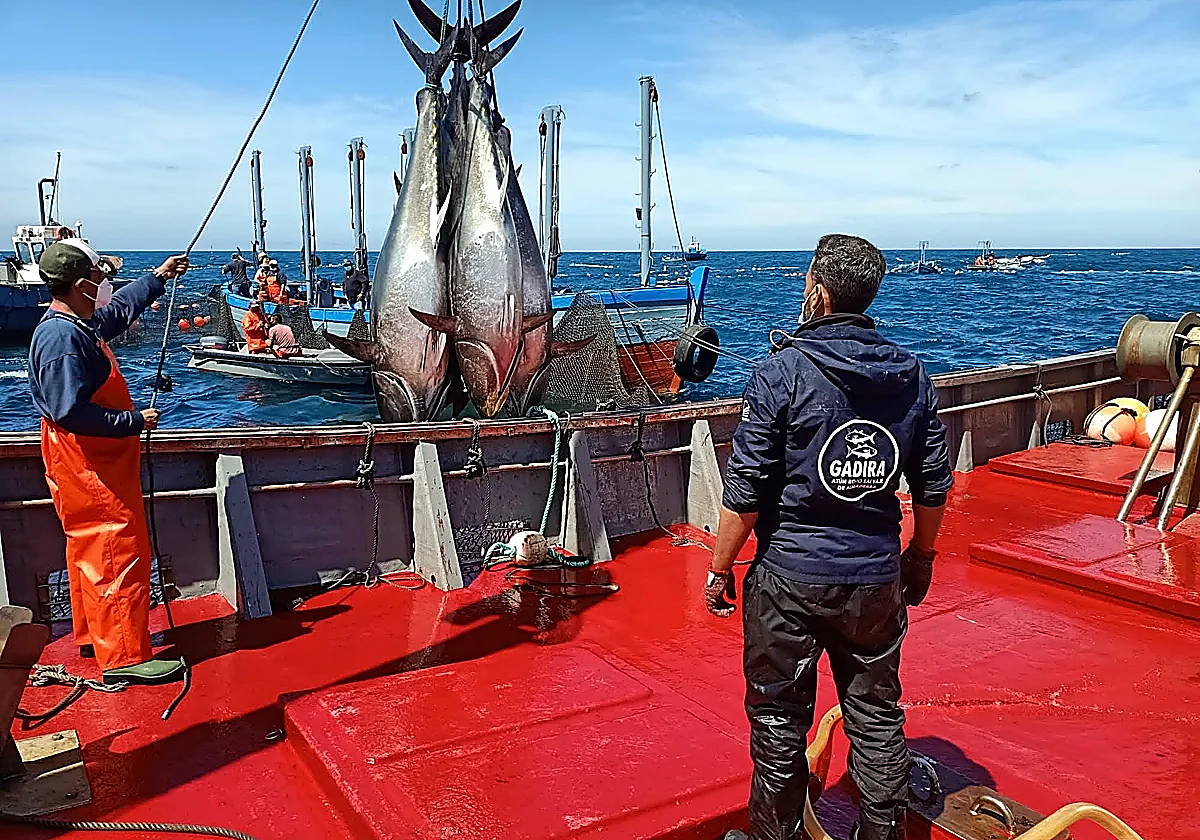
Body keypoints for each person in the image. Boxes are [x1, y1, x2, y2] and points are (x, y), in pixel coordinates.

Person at [708, 234, 954, 840]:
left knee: (779, 718)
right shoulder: (911, 375)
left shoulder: (782, 372)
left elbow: (746, 492)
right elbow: (932, 483)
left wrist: (719, 569)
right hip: (874, 579)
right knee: (875, 713)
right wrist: (919, 558)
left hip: (789, 581)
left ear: (817, 292)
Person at [28, 239, 190, 686]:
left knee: (89, 549)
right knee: (115, 549)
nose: (106, 285)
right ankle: (123, 656)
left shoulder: (73, 322)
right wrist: (134, 421)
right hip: (89, 463)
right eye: (100, 279)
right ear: (82, 284)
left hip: (84, 461)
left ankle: (93, 635)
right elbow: (70, 411)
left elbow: (114, 314)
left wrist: (157, 277)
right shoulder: (62, 339)